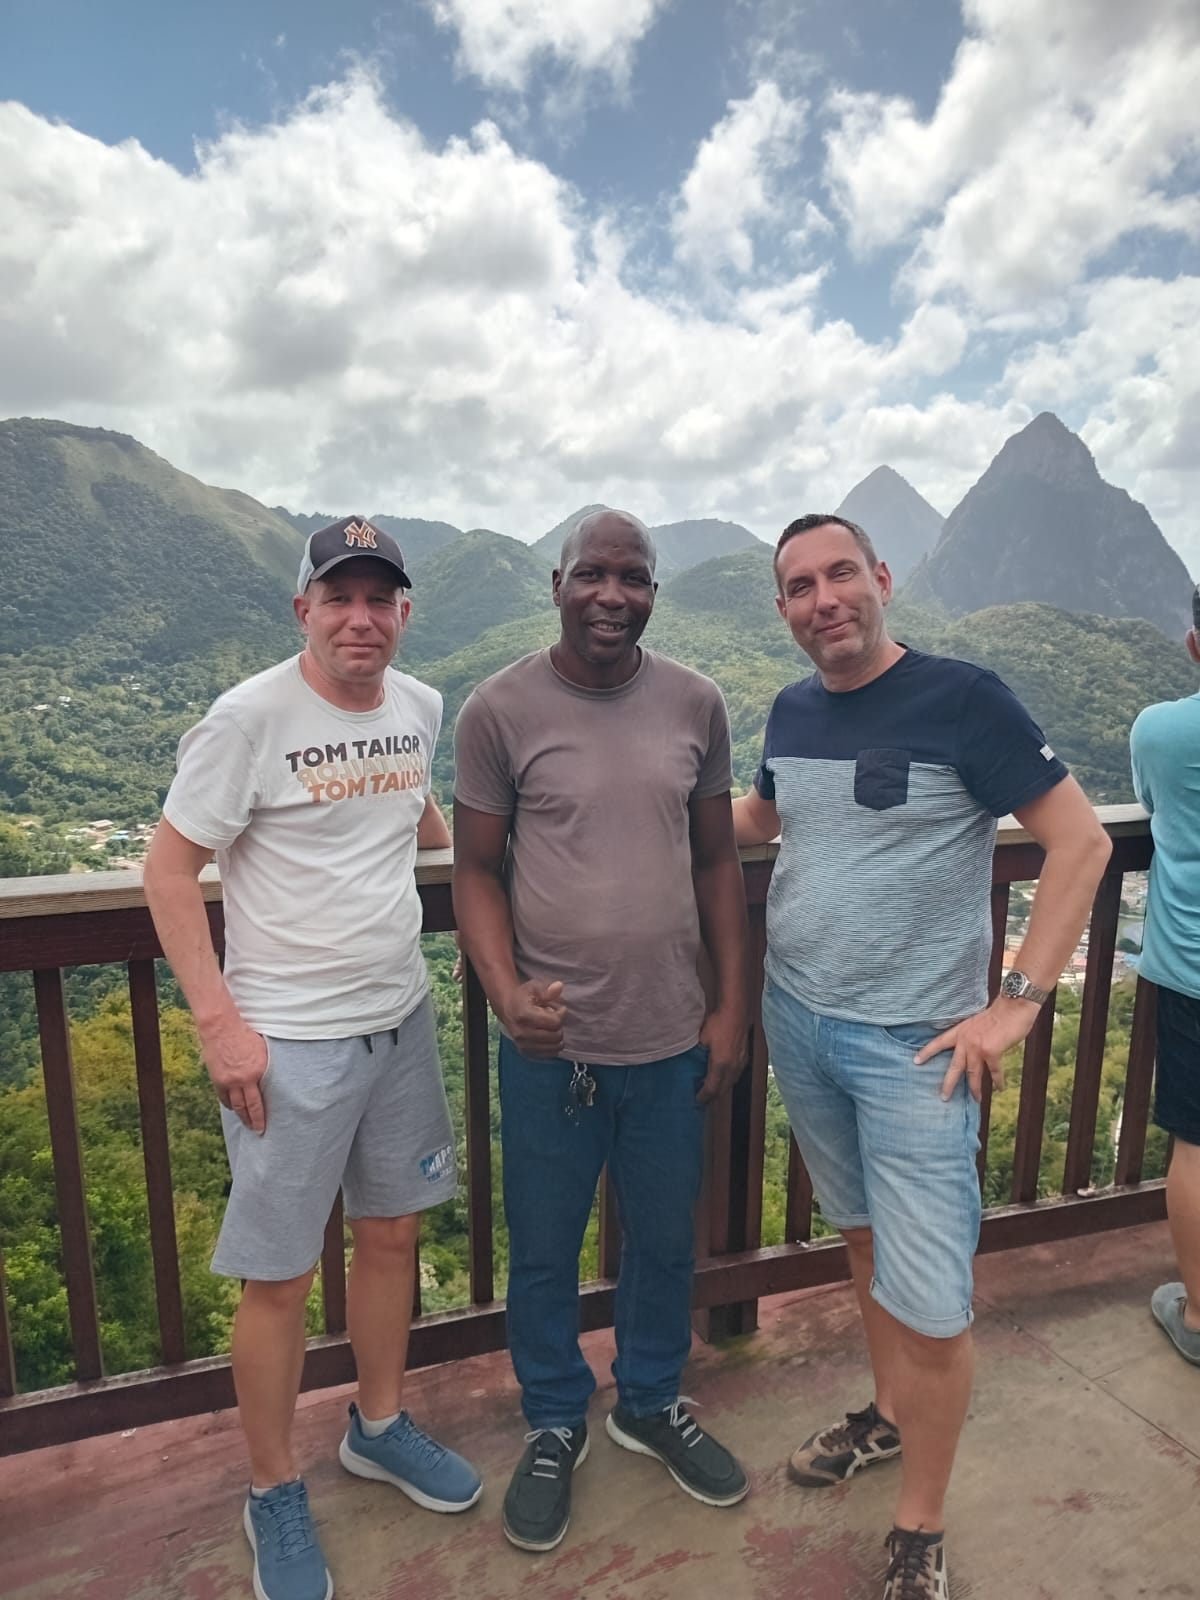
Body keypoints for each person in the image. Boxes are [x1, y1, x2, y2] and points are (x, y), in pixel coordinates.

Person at [733, 514, 1111, 1600]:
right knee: (860, 1239)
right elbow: (765, 816)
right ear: (783, 608)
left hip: (916, 1049)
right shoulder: (792, 708)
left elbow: (1082, 842)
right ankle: (887, 1415)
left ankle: (919, 1527)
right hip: (801, 1020)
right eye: (800, 586)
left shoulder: (964, 699)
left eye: (841, 573)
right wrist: (636, 808)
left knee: (936, 1303)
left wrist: (1014, 1008)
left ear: (882, 578)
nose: (824, 600)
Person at [143, 517, 481, 1600]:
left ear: (404, 613)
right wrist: (219, 1023)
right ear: (305, 609)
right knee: (280, 1276)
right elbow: (167, 870)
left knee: (391, 1234)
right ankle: (272, 1487)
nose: (360, 618)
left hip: (400, 1018)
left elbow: (415, 813)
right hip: (288, 1040)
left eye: (380, 599)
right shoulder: (247, 719)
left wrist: (490, 864)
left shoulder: (419, 705)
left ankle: (376, 1426)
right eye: (340, 597)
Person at [452, 508, 751, 1554]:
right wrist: (504, 992)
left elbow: (715, 861)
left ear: (653, 592)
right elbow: (474, 871)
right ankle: (552, 1419)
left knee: (665, 1240)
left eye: (633, 577)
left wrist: (731, 1006)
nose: (611, 595)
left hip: (671, 1040)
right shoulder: (497, 710)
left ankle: (651, 1399)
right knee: (543, 1247)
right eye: (592, 574)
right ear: (558, 584)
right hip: (553, 1050)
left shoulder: (696, 703)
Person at [1130, 583, 1200, 1367]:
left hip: (1191, 972)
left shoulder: (1160, 731)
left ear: (1193, 643)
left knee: (1196, 1142)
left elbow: (1149, 805)